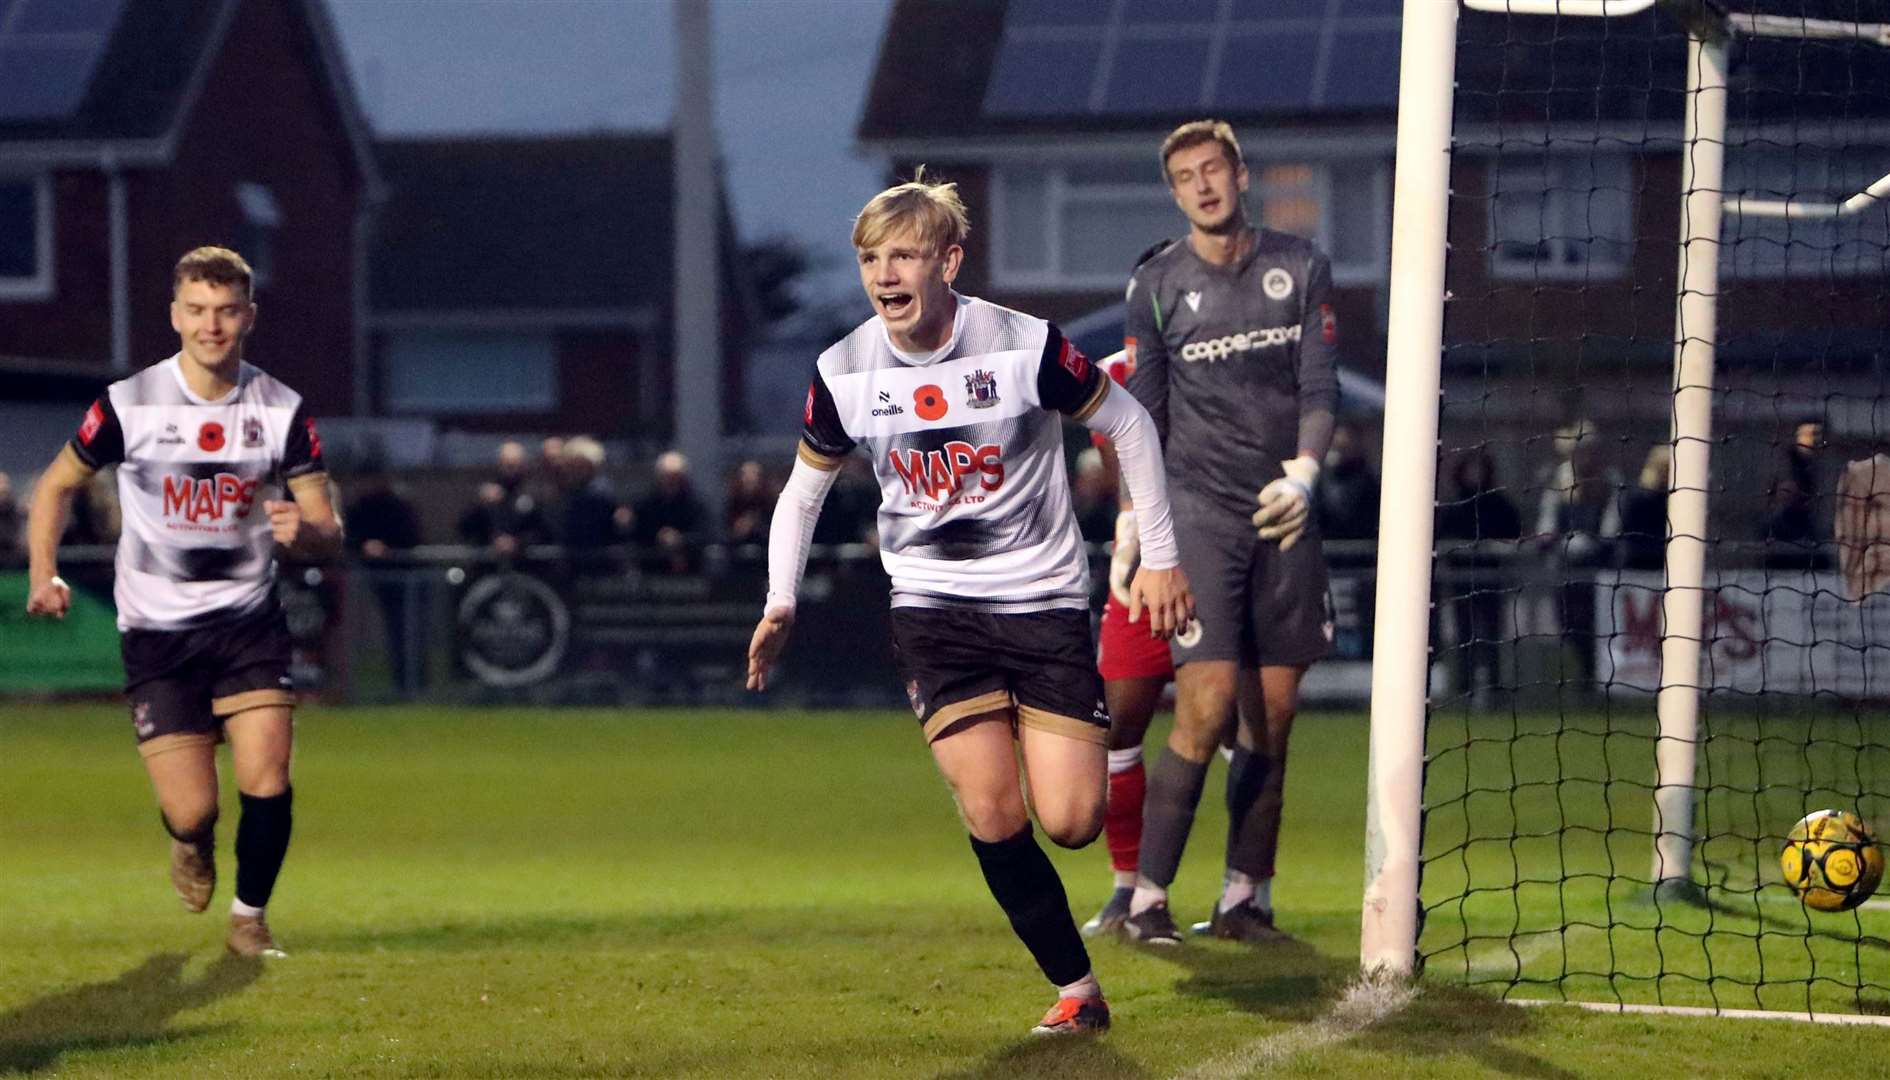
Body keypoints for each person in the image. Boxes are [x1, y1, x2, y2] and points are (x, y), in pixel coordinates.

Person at [745, 173, 1192, 1036]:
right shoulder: (843, 371)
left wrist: (1162, 559)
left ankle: (1062, 742)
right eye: (871, 258)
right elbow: (802, 495)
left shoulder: (1024, 347)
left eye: (904, 254)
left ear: (948, 260)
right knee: (991, 809)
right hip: (933, 614)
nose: (885, 274)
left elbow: (1130, 426)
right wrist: (781, 601)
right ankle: (1077, 991)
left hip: (1042, 606)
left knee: (1069, 821)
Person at [23, 247, 342, 958]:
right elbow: (53, 486)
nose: (212, 326)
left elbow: (328, 527)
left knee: (268, 775)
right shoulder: (127, 404)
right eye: (197, 310)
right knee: (193, 807)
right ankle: (190, 843)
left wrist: (309, 531)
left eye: (227, 311)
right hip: (158, 636)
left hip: (247, 625)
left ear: (249, 317)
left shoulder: (281, 409)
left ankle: (249, 920)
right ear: (175, 316)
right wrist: (45, 573)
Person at [1116, 119, 1340, 947]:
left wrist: (1306, 475)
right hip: (1200, 516)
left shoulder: (1302, 266)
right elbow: (1142, 415)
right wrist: (1135, 525)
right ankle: (1145, 901)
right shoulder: (1157, 284)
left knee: (1272, 715)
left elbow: (1320, 392)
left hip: (1283, 514)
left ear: (1241, 174)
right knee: (1206, 705)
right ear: (1175, 192)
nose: (1203, 185)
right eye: (1186, 176)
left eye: (1214, 169)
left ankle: (1246, 898)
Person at [1436, 448, 1523, 702]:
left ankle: (1494, 685)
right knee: (1464, 633)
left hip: (1492, 580)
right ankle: (1464, 684)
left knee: (1492, 633)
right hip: (1461, 582)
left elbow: (1512, 532)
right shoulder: (1453, 506)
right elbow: (1443, 537)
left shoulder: (1499, 506)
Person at [343, 454, 425, 693]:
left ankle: (412, 685)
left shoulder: (398, 504)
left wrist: (387, 548)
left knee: (407, 632)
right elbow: (348, 538)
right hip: (369, 578)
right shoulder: (357, 508)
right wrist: (363, 547)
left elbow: (412, 537)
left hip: (402, 578)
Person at [457, 440, 549, 558]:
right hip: (488, 565)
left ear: (523, 465)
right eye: (506, 463)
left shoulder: (534, 494)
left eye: (514, 464)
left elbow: (543, 531)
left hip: (525, 566)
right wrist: (479, 504)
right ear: (498, 464)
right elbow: (464, 529)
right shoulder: (485, 493)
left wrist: (517, 542)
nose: (510, 468)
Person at [628, 449, 708, 574]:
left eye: (675, 476)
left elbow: (705, 534)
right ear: (659, 476)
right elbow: (637, 534)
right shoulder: (645, 504)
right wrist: (658, 537)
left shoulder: (697, 504)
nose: (671, 480)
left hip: (690, 573)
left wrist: (680, 539)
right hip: (652, 572)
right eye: (666, 476)